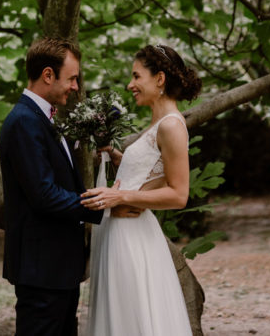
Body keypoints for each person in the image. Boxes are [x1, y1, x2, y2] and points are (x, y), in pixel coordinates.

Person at [0, 37, 121, 336]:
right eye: (72, 78)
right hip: (41, 269)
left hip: (58, 267)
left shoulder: (45, 118)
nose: (76, 87)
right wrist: (100, 202)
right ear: (48, 75)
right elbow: (43, 195)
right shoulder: (24, 122)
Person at [80, 43, 202, 335]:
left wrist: (120, 195)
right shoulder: (157, 124)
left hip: (134, 238)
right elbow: (155, 172)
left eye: (136, 76)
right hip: (121, 234)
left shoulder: (172, 125)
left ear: (159, 79)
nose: (130, 84)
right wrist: (121, 160)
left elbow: (178, 194)